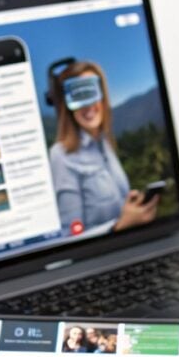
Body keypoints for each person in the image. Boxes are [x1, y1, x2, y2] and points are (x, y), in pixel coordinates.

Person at [48, 60, 159, 235]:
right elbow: (70, 233)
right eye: (78, 95)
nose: (88, 105)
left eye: (91, 92)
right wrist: (119, 226)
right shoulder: (61, 155)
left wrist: (131, 206)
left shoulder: (104, 142)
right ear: (67, 105)